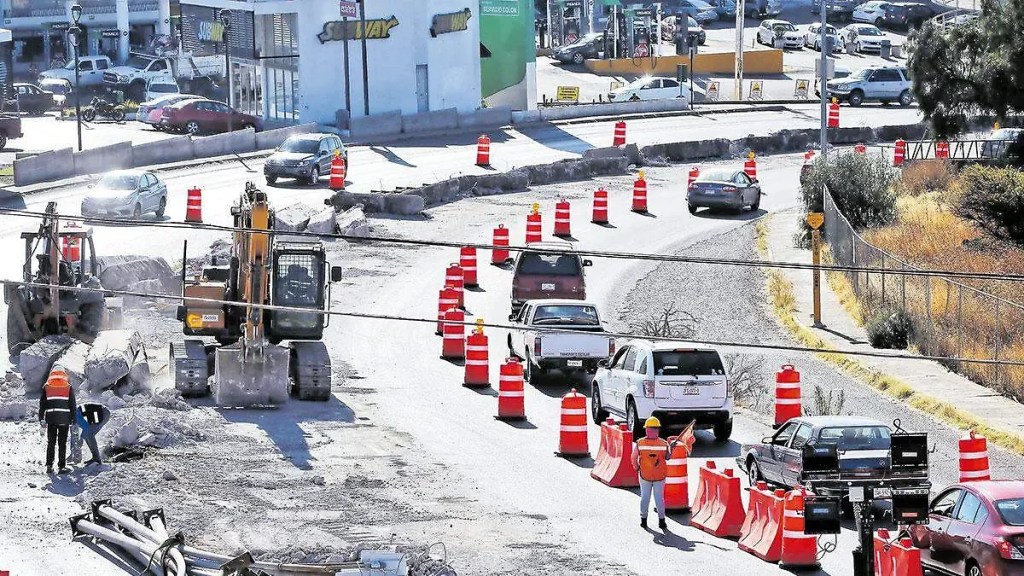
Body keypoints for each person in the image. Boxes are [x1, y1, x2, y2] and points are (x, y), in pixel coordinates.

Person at [632, 417, 696, 530]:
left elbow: (634, 457)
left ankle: (643, 520)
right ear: (658, 430)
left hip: (644, 475)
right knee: (659, 499)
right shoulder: (663, 444)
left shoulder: (640, 443)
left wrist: (637, 468)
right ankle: (662, 521)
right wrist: (670, 449)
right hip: (659, 476)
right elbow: (668, 457)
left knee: (645, 498)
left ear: (646, 429)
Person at [38, 366, 75, 474]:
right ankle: (61, 466)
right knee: (62, 443)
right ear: (64, 375)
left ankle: (49, 466)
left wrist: (41, 419)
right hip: (64, 419)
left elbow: (42, 405)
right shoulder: (68, 387)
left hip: (51, 419)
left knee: (51, 443)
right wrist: (74, 419)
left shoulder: (47, 387)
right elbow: (72, 404)